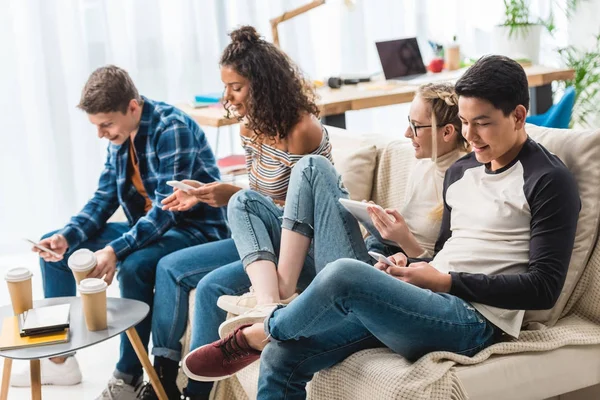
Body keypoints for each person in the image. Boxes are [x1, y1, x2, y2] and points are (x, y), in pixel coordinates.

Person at [181, 55, 581, 400]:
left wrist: (443, 282)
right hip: (425, 298)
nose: (470, 137)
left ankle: (258, 332)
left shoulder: (547, 180)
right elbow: (442, 253)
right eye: (463, 122)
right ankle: (270, 340)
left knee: (341, 274)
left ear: (518, 115)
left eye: (483, 124)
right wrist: (409, 266)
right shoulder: (461, 171)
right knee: (284, 357)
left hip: (474, 322)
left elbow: (543, 288)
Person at [139, 26, 332, 400]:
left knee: (211, 286)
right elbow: (258, 195)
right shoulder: (250, 128)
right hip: (260, 236)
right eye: (226, 86)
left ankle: (196, 392)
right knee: (170, 267)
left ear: (263, 84)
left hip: (300, 246)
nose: (228, 95)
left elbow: (299, 213)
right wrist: (208, 192)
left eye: (237, 87)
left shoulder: (302, 131)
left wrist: (232, 194)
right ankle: (164, 379)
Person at [15, 65, 229, 399]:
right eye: (96, 126)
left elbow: (165, 212)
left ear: (133, 106)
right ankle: (59, 360)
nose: (101, 134)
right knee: (57, 254)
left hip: (193, 229)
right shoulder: (120, 136)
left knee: (133, 265)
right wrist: (68, 236)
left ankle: (126, 377)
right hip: (149, 228)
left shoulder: (171, 128)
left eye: (106, 124)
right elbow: (103, 199)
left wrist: (115, 251)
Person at [213, 82, 470, 339]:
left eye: (415, 126)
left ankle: (278, 295)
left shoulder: (463, 182)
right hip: (379, 263)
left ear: (447, 132)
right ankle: (270, 301)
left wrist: (403, 240)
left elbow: (441, 274)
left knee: (313, 166)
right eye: (408, 122)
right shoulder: (425, 166)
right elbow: (396, 248)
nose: (406, 133)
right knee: (243, 201)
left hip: (382, 285)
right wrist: (378, 228)